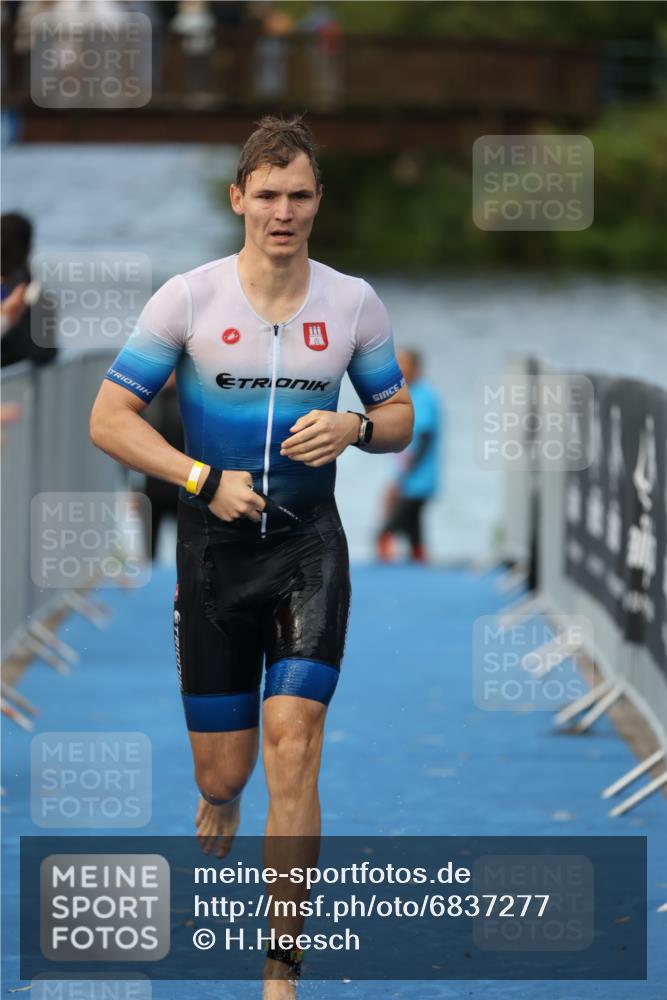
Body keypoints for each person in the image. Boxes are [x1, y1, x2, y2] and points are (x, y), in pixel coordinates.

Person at [90, 115, 413, 996]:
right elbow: (107, 419)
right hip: (213, 558)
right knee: (226, 768)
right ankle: (222, 793)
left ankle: (281, 963)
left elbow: (397, 419)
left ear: (317, 202)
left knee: (294, 743)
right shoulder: (187, 300)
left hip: (310, 549)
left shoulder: (352, 303)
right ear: (239, 199)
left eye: (298, 195)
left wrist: (355, 425)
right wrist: (200, 479)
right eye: (266, 195)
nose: (282, 212)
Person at [377, 348, 440, 563]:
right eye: (397, 363)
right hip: (409, 477)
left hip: (416, 480)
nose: (399, 369)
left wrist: (402, 477)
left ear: (416, 368)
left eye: (405, 364)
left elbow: (423, 439)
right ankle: (420, 564)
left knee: (386, 529)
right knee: (414, 529)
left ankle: (383, 570)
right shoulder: (407, 394)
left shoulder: (423, 396)